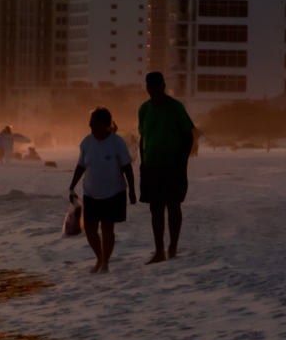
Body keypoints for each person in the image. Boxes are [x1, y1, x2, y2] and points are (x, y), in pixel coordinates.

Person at [137, 71, 200, 264]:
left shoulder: (175, 107)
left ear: (163, 87)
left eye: (157, 86)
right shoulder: (144, 109)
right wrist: (143, 162)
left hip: (174, 165)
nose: (154, 90)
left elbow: (188, 135)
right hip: (151, 166)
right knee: (155, 209)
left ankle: (172, 246)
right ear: (147, 88)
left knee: (173, 205)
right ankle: (159, 251)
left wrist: (182, 164)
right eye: (150, 87)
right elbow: (143, 136)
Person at [68, 107, 136, 274]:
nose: (91, 127)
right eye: (90, 124)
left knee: (107, 228)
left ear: (105, 124)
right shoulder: (86, 142)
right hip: (91, 192)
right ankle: (99, 257)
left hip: (114, 192)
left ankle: (105, 262)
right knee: (90, 229)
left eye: (94, 123)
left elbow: (127, 168)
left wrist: (132, 191)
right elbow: (80, 166)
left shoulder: (117, 142)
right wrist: (71, 187)